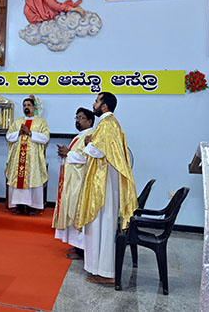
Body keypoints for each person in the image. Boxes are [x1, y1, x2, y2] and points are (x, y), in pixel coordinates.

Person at [74, 92, 138, 285]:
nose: (93, 104)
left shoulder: (107, 124)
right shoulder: (108, 123)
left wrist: (87, 143)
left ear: (104, 106)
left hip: (104, 185)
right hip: (104, 181)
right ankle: (99, 269)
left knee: (103, 226)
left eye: (96, 101)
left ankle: (107, 273)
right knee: (100, 226)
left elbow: (98, 150)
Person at [53, 107, 95, 260]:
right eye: (76, 117)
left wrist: (68, 153)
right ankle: (77, 245)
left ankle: (82, 250)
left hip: (80, 182)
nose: (78, 121)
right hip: (73, 180)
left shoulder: (91, 136)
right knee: (72, 209)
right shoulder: (80, 136)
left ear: (90, 121)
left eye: (81, 118)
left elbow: (87, 158)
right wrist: (65, 153)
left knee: (77, 212)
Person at [5, 97, 50, 216]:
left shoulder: (41, 122)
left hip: (33, 159)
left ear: (34, 107)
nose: (26, 107)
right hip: (18, 158)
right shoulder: (17, 122)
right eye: (24, 105)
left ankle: (32, 207)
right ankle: (19, 206)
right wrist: (18, 133)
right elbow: (8, 137)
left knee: (32, 180)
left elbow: (45, 138)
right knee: (18, 180)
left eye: (29, 105)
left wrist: (30, 133)